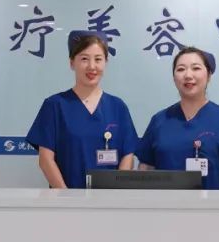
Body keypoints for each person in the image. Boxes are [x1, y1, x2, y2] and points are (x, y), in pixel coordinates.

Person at [26, 30, 139, 189]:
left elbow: (128, 155)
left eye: (98, 59)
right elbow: (46, 160)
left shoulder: (118, 107)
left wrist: (117, 193)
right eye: (84, 59)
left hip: (109, 200)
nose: (92, 66)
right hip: (65, 199)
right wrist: (66, 197)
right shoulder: (55, 106)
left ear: (106, 62)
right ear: (72, 63)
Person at [136, 46, 219, 190]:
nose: (188, 75)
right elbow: (146, 169)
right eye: (181, 69)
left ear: (209, 75)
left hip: (211, 204)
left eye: (196, 68)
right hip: (165, 204)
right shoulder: (159, 120)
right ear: (174, 78)